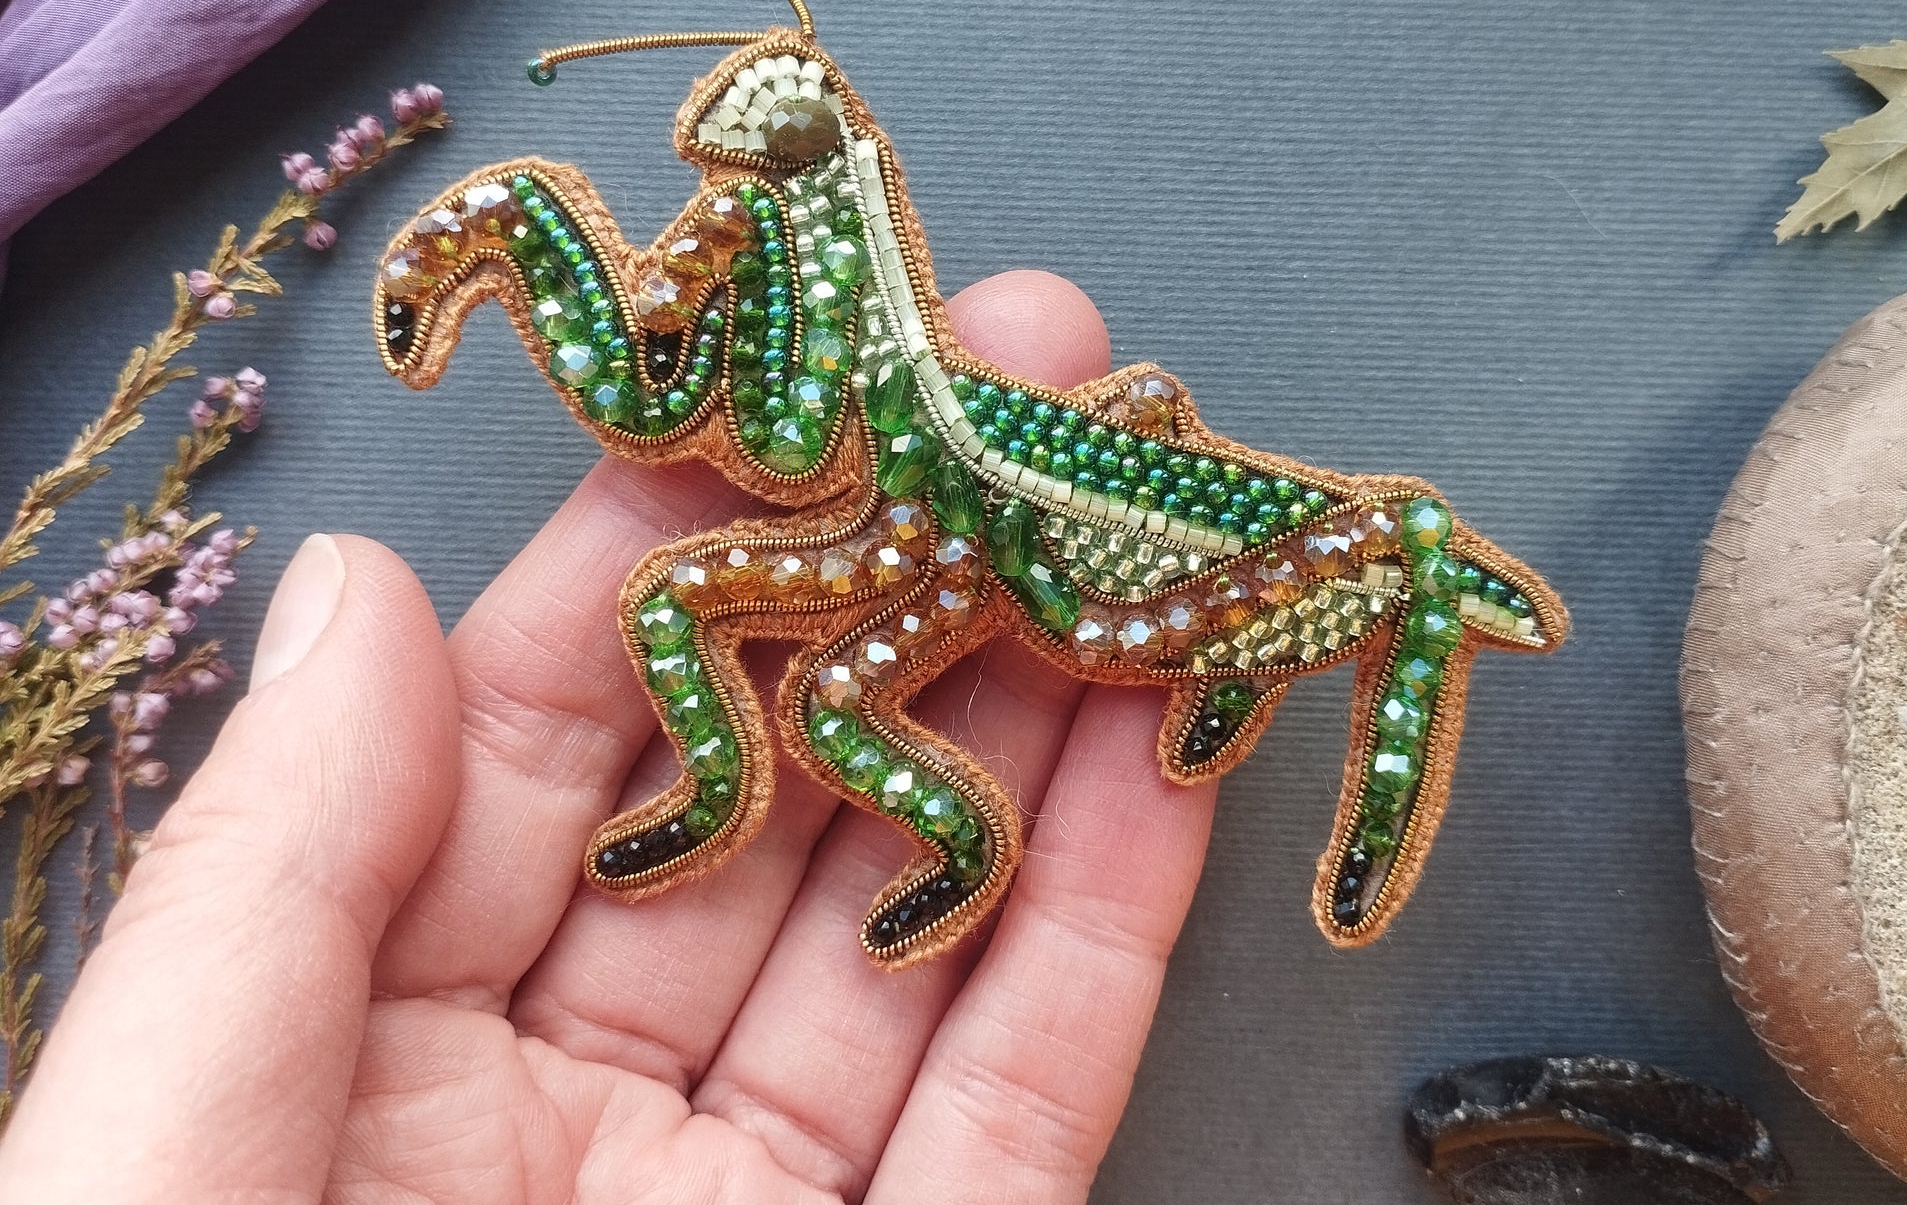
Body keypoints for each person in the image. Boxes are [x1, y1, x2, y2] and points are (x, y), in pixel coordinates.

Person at [0, 272, 1219, 1203]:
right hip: (928, 525)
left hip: (957, 527)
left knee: (782, 665)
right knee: (720, 627)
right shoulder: (767, 258)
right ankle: (798, 806)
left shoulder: (842, 298)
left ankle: (929, 832)